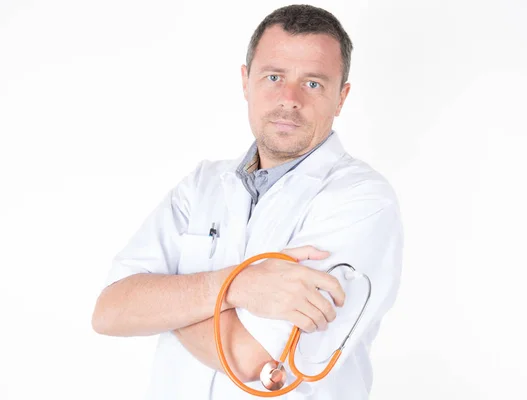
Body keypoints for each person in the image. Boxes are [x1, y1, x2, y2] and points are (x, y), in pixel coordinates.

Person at [91, 4, 404, 400]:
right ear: (246, 81)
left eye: (313, 84)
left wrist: (163, 305)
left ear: (341, 98)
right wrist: (239, 285)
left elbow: (247, 359)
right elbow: (110, 311)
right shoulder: (202, 186)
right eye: (274, 76)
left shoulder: (361, 201)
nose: (289, 99)